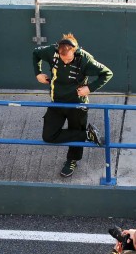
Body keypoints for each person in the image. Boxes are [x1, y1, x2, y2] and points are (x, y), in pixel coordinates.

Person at [33, 33, 113, 177]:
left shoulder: (85, 59)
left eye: (69, 59)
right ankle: (88, 134)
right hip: (57, 102)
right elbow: (36, 53)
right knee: (49, 136)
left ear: (75, 51)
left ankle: (72, 160)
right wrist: (37, 73)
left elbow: (107, 73)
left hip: (77, 104)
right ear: (58, 51)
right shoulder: (51, 51)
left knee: (75, 130)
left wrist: (90, 88)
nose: (66, 62)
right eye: (63, 59)